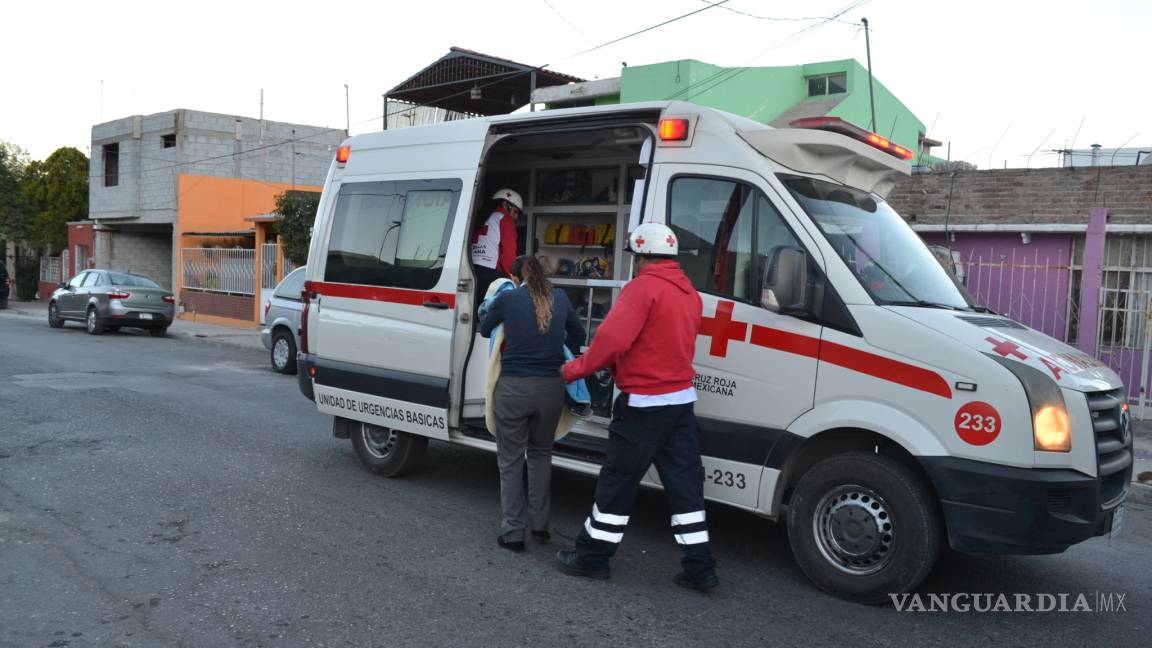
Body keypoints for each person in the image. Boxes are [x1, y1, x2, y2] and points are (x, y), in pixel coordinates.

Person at [554, 222, 719, 592]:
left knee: (618, 482)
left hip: (643, 404)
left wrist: (573, 370)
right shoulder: (690, 293)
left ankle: (592, 558)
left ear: (642, 256)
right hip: (680, 403)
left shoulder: (641, 289)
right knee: (685, 488)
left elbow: (611, 340)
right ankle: (700, 567)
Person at [480, 255, 586, 552]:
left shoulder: (509, 299)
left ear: (515, 278)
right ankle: (540, 526)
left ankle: (513, 531)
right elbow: (578, 335)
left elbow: (485, 329)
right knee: (540, 454)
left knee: (511, 461)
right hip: (551, 389)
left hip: (514, 389)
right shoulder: (561, 297)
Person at [471, 189, 523, 306]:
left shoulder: (481, 218)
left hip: (472, 270)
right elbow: (509, 253)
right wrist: (513, 276)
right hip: (490, 274)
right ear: (505, 204)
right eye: (515, 212)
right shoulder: (505, 219)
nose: (515, 217)